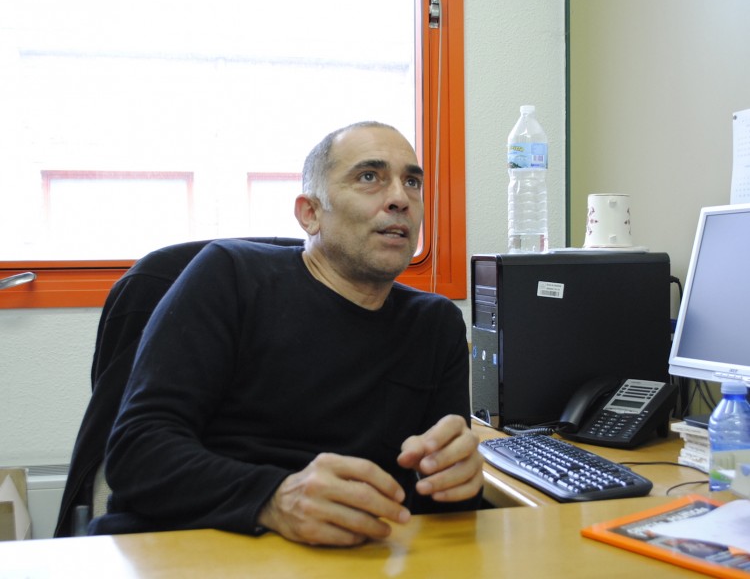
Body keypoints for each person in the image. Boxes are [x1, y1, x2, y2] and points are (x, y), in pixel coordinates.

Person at [89, 121, 484, 546]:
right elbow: (137, 452)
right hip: (197, 547)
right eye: (369, 177)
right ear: (310, 213)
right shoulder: (229, 276)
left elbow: (440, 506)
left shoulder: (436, 324)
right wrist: (274, 499)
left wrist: (456, 478)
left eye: (412, 182)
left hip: (356, 556)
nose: (400, 199)